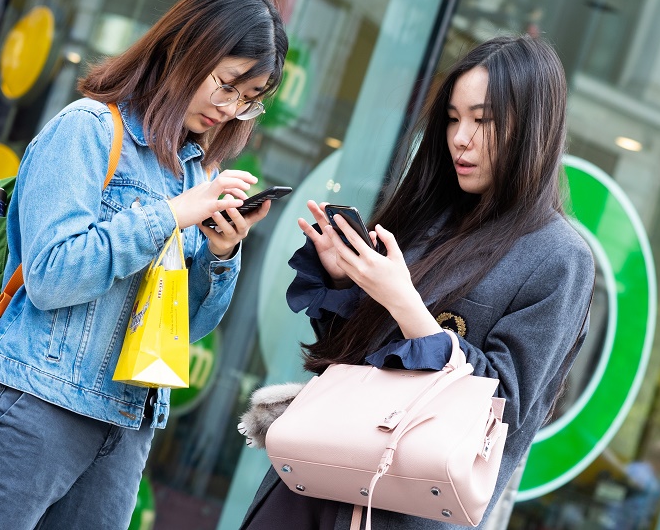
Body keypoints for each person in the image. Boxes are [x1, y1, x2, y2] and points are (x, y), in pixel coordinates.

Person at [0, 0, 288, 529]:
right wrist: (170, 215)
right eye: (227, 83)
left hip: (123, 425)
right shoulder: (88, 130)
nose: (231, 108)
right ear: (185, 48)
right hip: (32, 406)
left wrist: (220, 252)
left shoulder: (193, 171)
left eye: (249, 99)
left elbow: (184, 328)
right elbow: (50, 275)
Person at [240, 34, 595, 529]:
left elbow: (505, 410)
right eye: (452, 118)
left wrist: (404, 303)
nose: (460, 138)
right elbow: (348, 362)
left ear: (532, 126)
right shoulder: (428, 215)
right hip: (314, 476)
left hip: (403, 508)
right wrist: (346, 283)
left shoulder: (559, 258)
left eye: (482, 120)